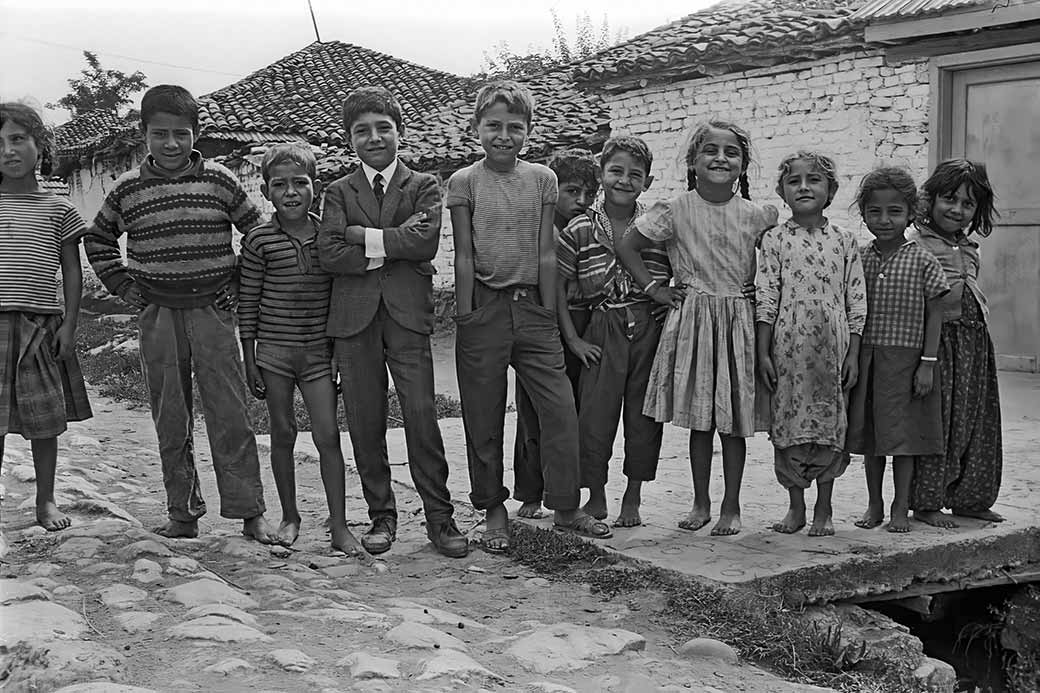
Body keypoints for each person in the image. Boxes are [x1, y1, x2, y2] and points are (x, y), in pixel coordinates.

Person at [84, 85, 276, 543]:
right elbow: (98, 240)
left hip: (213, 312)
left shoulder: (220, 180)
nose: (171, 144)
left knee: (231, 413)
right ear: (143, 134)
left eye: (181, 134)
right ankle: (182, 513)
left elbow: (258, 234)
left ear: (197, 134)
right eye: (160, 134)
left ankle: (250, 512)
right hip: (159, 315)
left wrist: (237, 283)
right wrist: (126, 287)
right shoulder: (128, 188)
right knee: (170, 415)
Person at [447, 80, 612, 554]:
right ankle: (493, 510)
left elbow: (545, 252)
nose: (504, 136)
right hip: (483, 306)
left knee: (560, 408)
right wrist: (465, 315)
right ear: (477, 128)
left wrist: (543, 308)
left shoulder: (542, 179)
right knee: (483, 414)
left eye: (514, 127)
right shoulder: (464, 182)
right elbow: (461, 255)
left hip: (533, 309)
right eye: (493, 125)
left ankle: (565, 506)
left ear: (528, 131)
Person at [317, 86, 468, 558]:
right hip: (354, 319)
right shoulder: (337, 191)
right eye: (362, 131)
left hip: (407, 315)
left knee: (422, 416)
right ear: (350, 139)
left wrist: (361, 237)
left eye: (384, 128)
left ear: (400, 132)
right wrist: (385, 247)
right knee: (365, 420)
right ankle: (381, 516)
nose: (374, 137)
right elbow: (329, 252)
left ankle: (440, 519)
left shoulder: (423, 185)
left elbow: (424, 244)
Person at [617, 121, 777, 536]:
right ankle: (700, 502)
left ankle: (732, 505)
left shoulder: (756, 216)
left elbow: (778, 263)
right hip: (692, 321)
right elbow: (628, 246)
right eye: (710, 150)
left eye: (731, 152)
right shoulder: (676, 209)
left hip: (738, 321)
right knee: (701, 420)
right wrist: (654, 289)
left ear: (743, 165)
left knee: (733, 422)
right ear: (693, 161)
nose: (720, 158)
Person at [238, 143, 361, 554]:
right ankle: (290, 516)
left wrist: (338, 355)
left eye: (300, 183)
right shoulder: (258, 241)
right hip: (274, 354)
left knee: (328, 435)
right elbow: (248, 302)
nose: (291, 192)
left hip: (317, 355)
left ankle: (340, 525)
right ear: (265, 190)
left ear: (316, 187)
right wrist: (249, 357)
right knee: (283, 432)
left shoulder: (330, 238)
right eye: (280, 185)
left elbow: (339, 298)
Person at [559, 135, 668, 528]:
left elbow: (677, 267)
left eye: (634, 175)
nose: (624, 180)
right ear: (601, 174)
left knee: (644, 416)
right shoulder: (579, 228)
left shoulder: (657, 225)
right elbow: (557, 287)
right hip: (602, 326)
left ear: (648, 182)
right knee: (595, 415)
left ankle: (633, 497)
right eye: (616, 171)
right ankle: (597, 494)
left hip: (649, 327)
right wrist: (574, 338)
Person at [757, 151, 866, 537]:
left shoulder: (844, 241)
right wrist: (763, 352)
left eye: (814, 180)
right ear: (782, 192)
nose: (804, 187)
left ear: (831, 190)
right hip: (788, 351)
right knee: (788, 426)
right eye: (794, 181)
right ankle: (796, 507)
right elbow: (766, 296)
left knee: (829, 426)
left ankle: (824, 507)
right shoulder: (774, 240)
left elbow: (856, 300)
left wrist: (853, 352)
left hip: (833, 351)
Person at [0, 103, 93, 554]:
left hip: (40, 323)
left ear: (40, 146)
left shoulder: (58, 209)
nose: (8, 151)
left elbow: (71, 272)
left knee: (44, 421)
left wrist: (69, 324)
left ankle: (45, 499)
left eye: (18, 139)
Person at [846, 167, 949, 533]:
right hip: (869, 360)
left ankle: (900, 506)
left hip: (907, 363)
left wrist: (928, 363)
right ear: (864, 214)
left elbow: (936, 311)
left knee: (903, 442)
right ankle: (874, 503)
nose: (884, 219)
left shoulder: (922, 259)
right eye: (875, 211)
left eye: (895, 211)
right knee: (873, 440)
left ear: (911, 213)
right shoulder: (858, 258)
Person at [909, 159, 1004, 527]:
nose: (958, 209)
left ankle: (971, 498)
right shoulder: (916, 244)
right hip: (939, 344)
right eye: (949, 199)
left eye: (968, 203)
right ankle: (927, 502)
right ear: (929, 200)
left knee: (977, 421)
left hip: (976, 343)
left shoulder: (971, 247)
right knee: (938, 422)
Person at [514, 148, 599, 521]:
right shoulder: (538, 227)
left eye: (588, 193)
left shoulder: (594, 228)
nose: (580, 201)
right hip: (540, 324)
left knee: (571, 415)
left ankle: (567, 490)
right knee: (533, 415)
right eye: (571, 191)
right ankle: (530, 492)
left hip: (583, 324)